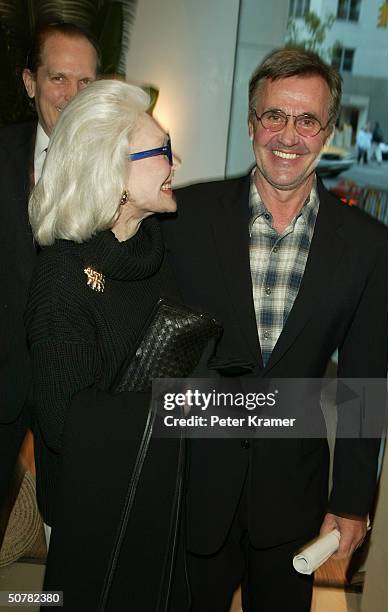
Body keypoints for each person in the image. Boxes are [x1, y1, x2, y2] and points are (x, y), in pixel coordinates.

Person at [162, 47, 388, 611]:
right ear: (251, 124)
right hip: (193, 487)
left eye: (307, 119)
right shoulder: (184, 217)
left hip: (295, 502)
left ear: (328, 131)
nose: (289, 135)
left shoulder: (366, 245)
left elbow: (362, 382)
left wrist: (353, 500)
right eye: (275, 116)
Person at [25, 79, 188, 610]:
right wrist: (176, 408)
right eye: (161, 150)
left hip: (151, 499)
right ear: (111, 168)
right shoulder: (63, 275)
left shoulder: (155, 255)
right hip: (89, 514)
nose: (176, 159)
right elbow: (62, 422)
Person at [0, 21, 100, 514]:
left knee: (72, 550)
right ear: (29, 82)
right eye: (59, 78)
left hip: (77, 398)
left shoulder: (121, 168)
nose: (73, 95)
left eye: (86, 83)